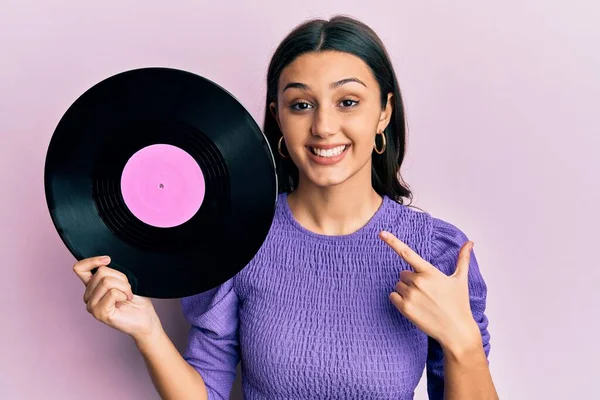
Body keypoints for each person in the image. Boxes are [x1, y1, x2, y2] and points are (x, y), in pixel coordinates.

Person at [73, 15, 498, 400]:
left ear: (384, 112)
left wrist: (462, 342)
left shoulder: (437, 252)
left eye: (347, 102)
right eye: (301, 104)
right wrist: (147, 331)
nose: (324, 127)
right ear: (278, 117)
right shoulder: (238, 239)